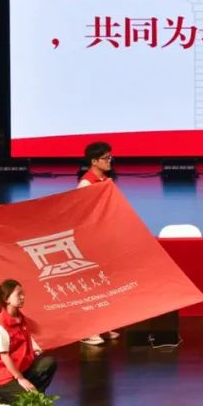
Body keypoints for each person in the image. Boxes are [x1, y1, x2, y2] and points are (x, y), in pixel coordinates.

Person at [0, 280, 57, 406]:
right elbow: (4, 356)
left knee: (48, 363)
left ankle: (33, 394)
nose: (23, 297)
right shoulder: (0, 327)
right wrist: (21, 379)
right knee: (32, 402)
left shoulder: (20, 318)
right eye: (19, 294)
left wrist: (33, 350)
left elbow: (21, 342)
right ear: (7, 299)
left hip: (19, 369)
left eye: (22, 294)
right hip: (3, 378)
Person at [77, 142, 120, 346]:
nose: (110, 161)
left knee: (104, 285)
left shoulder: (106, 181)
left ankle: (102, 325)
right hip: (89, 243)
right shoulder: (86, 184)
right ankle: (87, 330)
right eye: (106, 158)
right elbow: (82, 216)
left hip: (104, 240)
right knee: (90, 288)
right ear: (94, 161)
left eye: (110, 157)